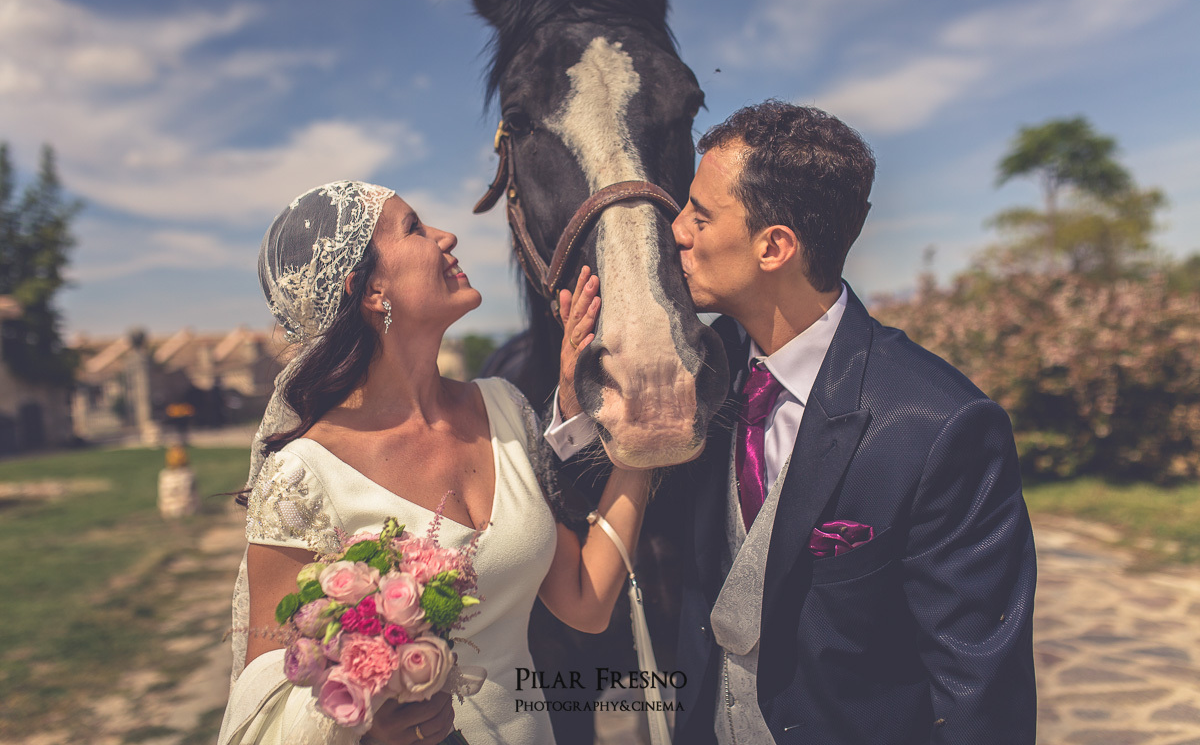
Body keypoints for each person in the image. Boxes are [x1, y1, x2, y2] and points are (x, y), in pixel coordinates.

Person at [549, 101, 1037, 743]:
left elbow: (981, 691)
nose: (676, 232)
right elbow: (599, 530)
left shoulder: (941, 426)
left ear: (774, 246)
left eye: (699, 214)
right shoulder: (697, 374)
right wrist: (574, 406)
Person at [218, 180, 649, 745]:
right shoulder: (301, 475)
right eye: (415, 228)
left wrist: (641, 440)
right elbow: (266, 701)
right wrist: (368, 729)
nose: (447, 237)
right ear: (372, 290)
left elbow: (584, 601)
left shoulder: (505, 407)